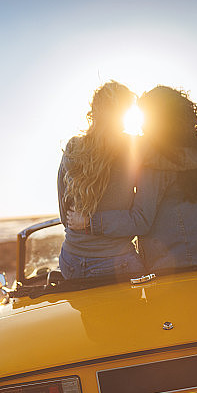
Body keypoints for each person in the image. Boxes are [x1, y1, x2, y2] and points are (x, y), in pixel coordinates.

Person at [68, 85, 197, 271]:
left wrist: (90, 223)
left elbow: (140, 220)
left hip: (171, 274)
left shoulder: (153, 164)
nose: (142, 127)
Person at [56, 81, 145, 279]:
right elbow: (141, 220)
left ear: (94, 111)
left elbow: (65, 215)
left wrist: (86, 223)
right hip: (117, 261)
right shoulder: (134, 147)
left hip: (71, 260)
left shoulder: (73, 147)